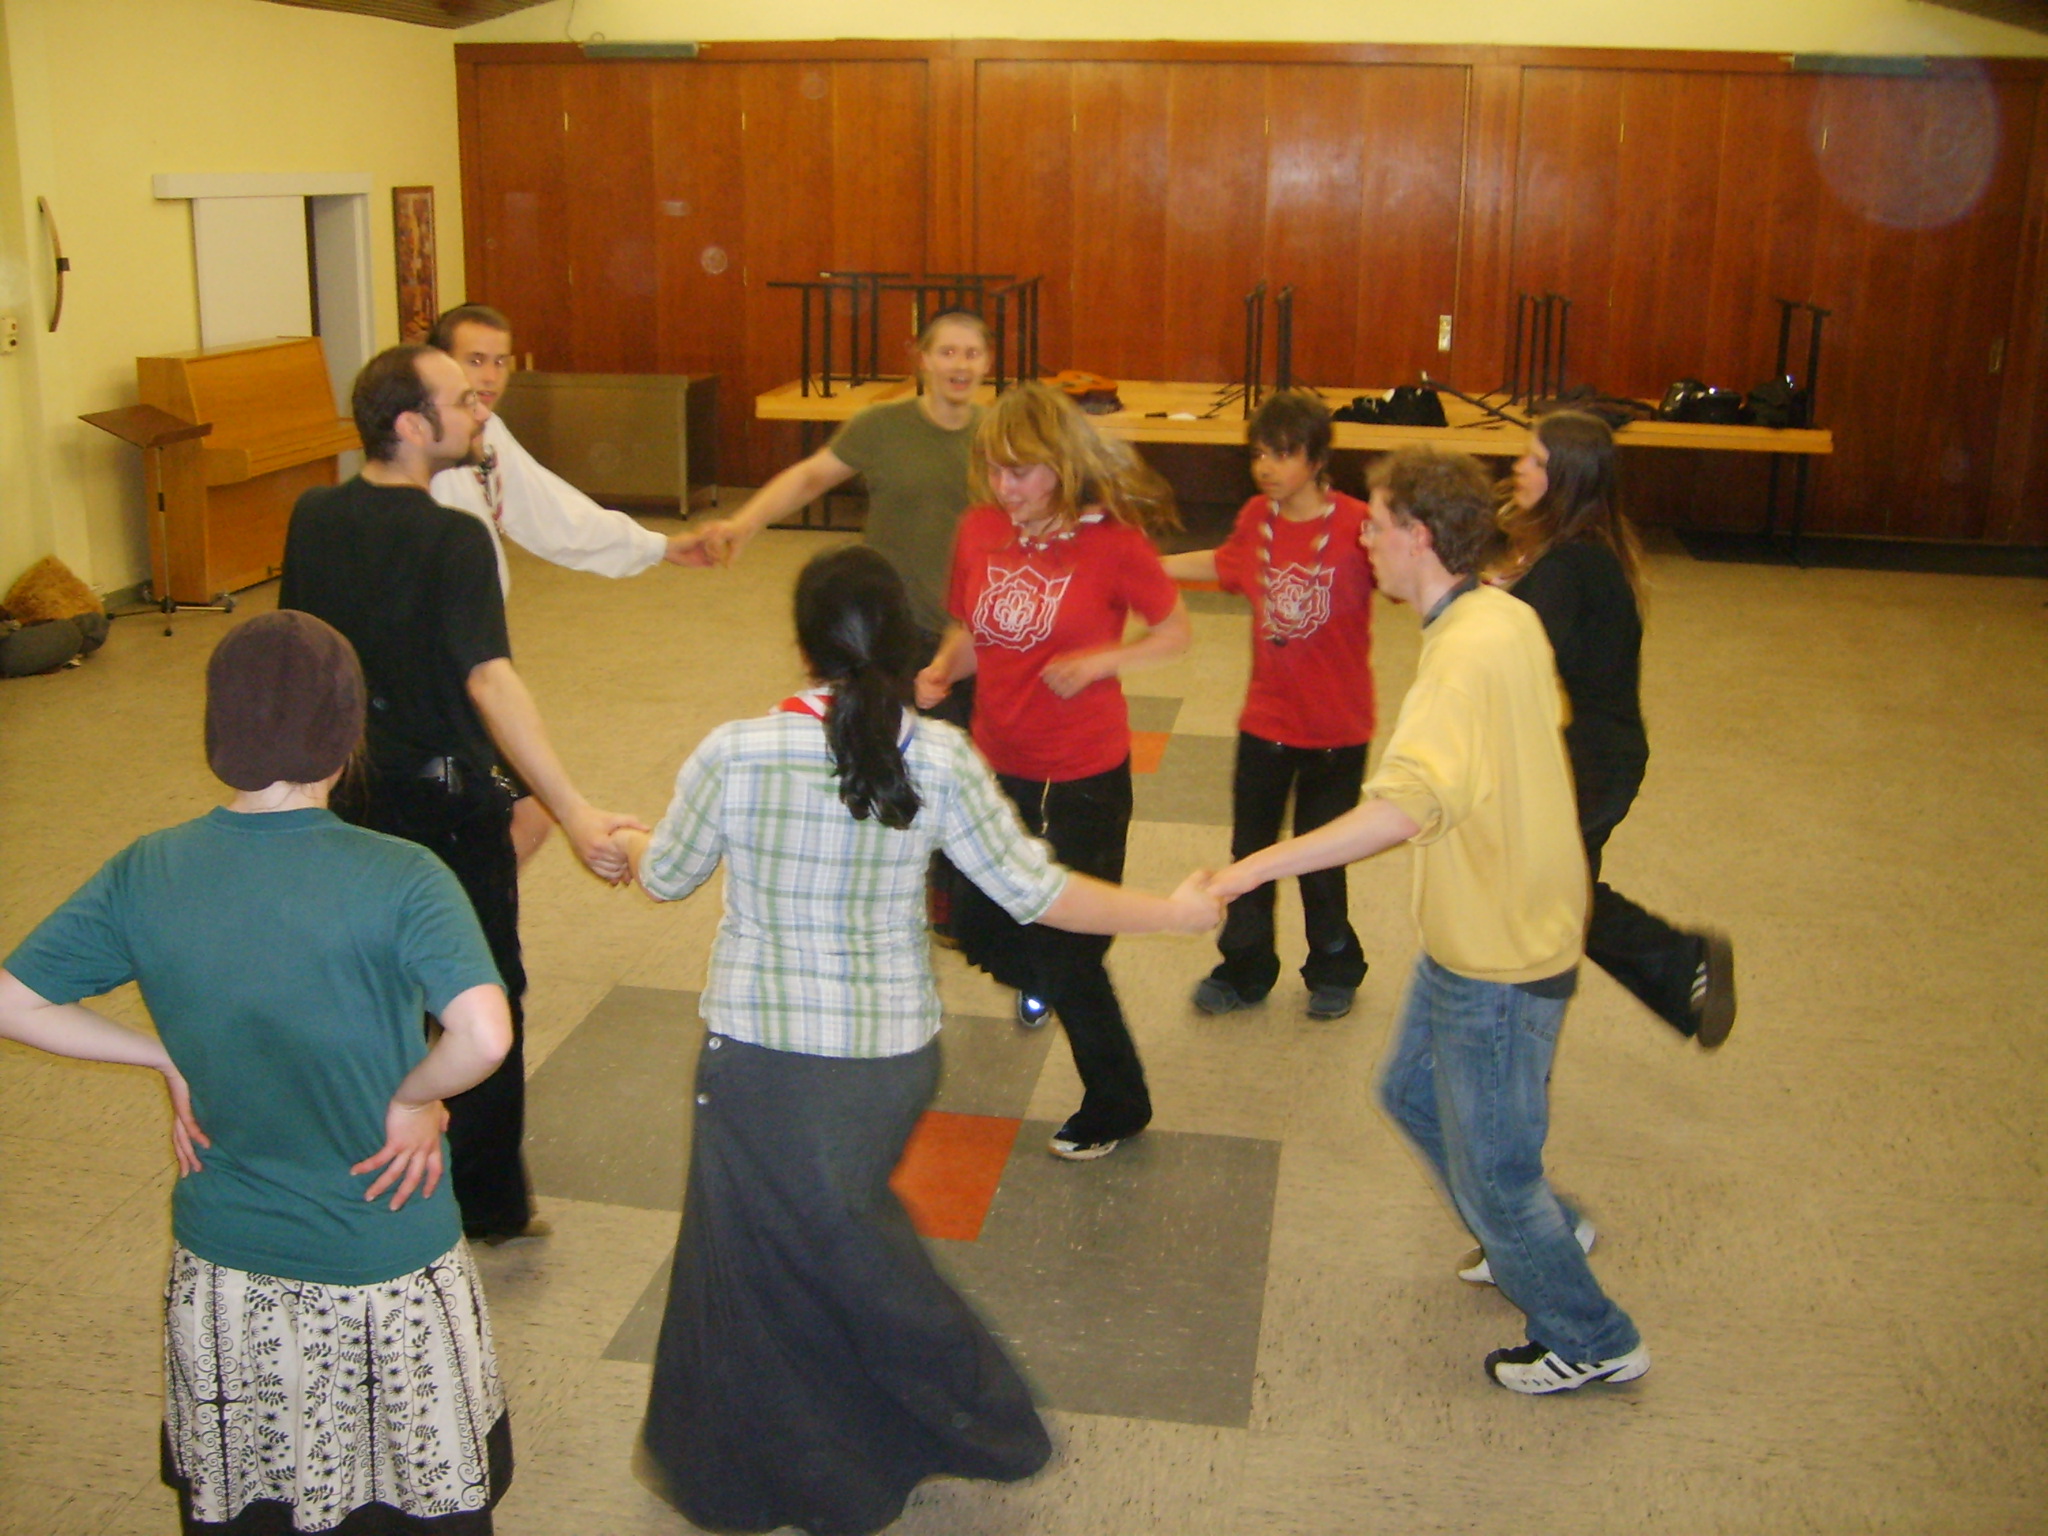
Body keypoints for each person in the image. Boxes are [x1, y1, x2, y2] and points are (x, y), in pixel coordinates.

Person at [618, 545, 1219, 1535]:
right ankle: (966, 1421)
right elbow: (1037, 891)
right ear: (904, 644)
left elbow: (667, 875)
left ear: (803, 648)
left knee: (777, 1258)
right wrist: (1172, 912)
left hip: (761, 1059)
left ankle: (881, 1443)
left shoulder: (737, 750)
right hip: (889, 1060)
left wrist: (624, 841)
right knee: (838, 1239)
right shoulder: (940, 756)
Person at [0, 610, 517, 1533]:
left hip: (227, 1279)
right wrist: (414, 1096)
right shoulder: (403, 875)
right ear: (349, 734)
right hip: (386, 1267)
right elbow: (482, 1033)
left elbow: (12, 1000)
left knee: (254, 1503)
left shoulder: (148, 867)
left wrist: (162, 1052)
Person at [1208, 447, 1648, 1394]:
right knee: (1411, 1093)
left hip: (1499, 954)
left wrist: (1256, 866)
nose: (1362, 538)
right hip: (1484, 925)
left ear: (1416, 536)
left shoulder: (1466, 654)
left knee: (1496, 1171)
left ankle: (1591, 1335)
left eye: (1374, 523)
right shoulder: (1497, 612)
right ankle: (1543, 1229)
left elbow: (1402, 809)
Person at [279, 345, 641, 1246]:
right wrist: (572, 808)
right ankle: (488, 1205)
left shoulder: (314, 516)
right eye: (461, 400)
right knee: (481, 994)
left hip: (349, 799)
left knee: (368, 988)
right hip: (442, 808)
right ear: (412, 425)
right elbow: (490, 681)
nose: (480, 409)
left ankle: (367, 1162)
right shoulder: (452, 537)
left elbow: (302, 658)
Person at [916, 381, 1191, 1160]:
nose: (1005, 487)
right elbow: (975, 629)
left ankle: (1117, 1100)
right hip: (996, 761)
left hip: (1085, 773)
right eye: (995, 470)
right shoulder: (979, 531)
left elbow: (1175, 632)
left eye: (1023, 471)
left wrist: (1103, 660)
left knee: (1072, 945)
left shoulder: (1115, 544)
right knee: (974, 925)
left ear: (1063, 466)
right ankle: (1050, 974)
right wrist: (941, 668)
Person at [428, 302, 710, 866]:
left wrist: (656, 546)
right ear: (439, 365)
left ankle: (459, 910)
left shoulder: (488, 432)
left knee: (528, 813)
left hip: (475, 656)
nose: (490, 377)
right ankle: (450, 912)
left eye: (501, 362)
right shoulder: (429, 450)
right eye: (474, 361)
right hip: (440, 672)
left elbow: (552, 512)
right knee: (516, 812)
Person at [1500, 409, 1735, 1050]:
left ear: (1568, 479)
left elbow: (1511, 656)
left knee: (1549, 898)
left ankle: (1679, 961)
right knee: (1558, 896)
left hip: (1593, 763)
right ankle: (1681, 966)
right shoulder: (1582, 551)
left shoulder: (1569, 566)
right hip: (1601, 752)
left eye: (1535, 461)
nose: (1519, 468)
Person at [1160, 389, 1376, 1020]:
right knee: (1250, 856)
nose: (1266, 467)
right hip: (1267, 724)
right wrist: (1149, 566)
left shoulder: (1361, 523)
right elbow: (1223, 563)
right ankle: (1245, 968)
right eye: (1259, 454)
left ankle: (1334, 967)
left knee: (1320, 860)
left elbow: (1416, 576)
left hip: (1339, 730)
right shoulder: (1258, 517)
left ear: (1317, 459)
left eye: (1282, 454)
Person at [689, 310, 992, 683]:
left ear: (987, 363)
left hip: (971, 628)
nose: (960, 365)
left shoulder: (999, 434)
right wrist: (743, 524)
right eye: (947, 352)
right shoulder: (881, 425)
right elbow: (810, 478)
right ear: (924, 359)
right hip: (890, 621)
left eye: (972, 354)